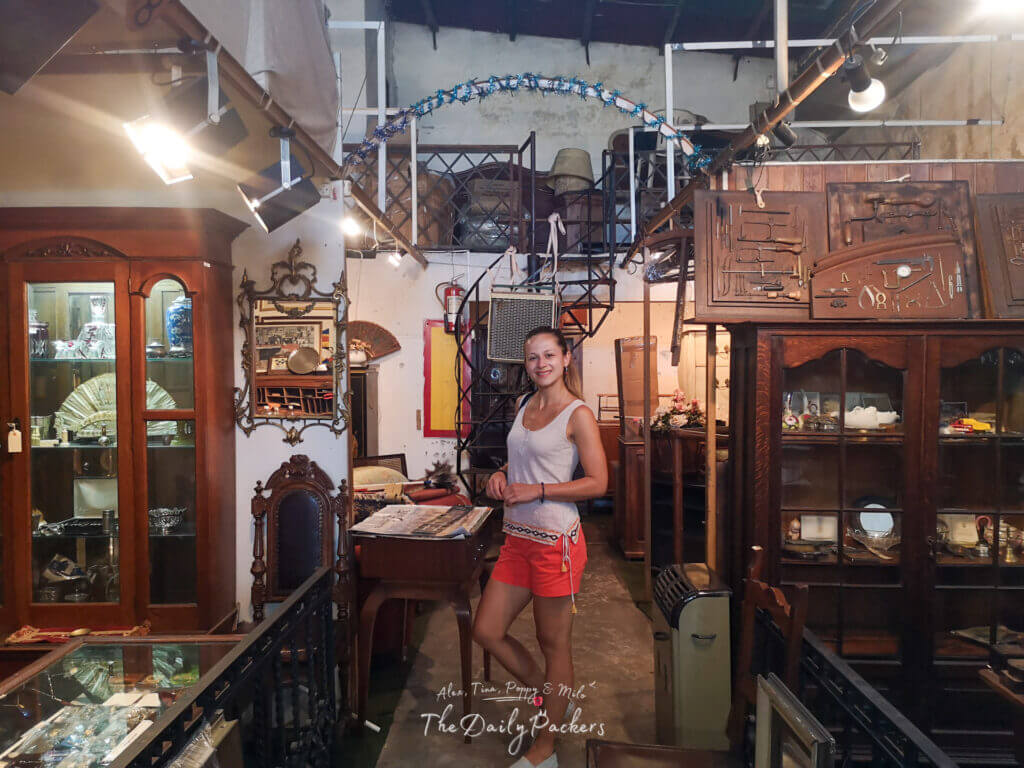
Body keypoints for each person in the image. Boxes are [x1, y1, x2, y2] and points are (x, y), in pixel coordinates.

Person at [473, 326, 608, 768]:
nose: (541, 364)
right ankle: (553, 699)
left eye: (549, 355)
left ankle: (545, 746)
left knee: (554, 645)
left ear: (566, 358)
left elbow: (598, 482)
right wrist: (501, 475)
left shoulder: (578, 414)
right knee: (486, 630)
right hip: (517, 539)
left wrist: (539, 490)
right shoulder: (523, 404)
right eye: (533, 357)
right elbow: (522, 459)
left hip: (556, 544)